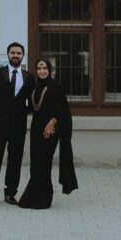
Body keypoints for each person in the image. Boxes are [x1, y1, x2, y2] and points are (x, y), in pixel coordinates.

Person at [18, 57, 78, 210]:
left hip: (50, 130)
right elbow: (33, 108)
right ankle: (32, 195)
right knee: (35, 163)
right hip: (36, 129)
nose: (42, 71)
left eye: (44, 68)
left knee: (44, 163)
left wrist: (53, 121)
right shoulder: (35, 87)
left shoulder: (55, 86)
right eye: (39, 68)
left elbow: (63, 110)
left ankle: (45, 198)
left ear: (49, 69)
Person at [0, 41, 35, 206]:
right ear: (8, 55)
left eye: (19, 53)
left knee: (15, 159)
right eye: (13, 53)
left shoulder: (29, 77)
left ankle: (10, 193)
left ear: (23, 56)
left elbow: (32, 99)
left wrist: (25, 112)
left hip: (18, 125)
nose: (16, 55)